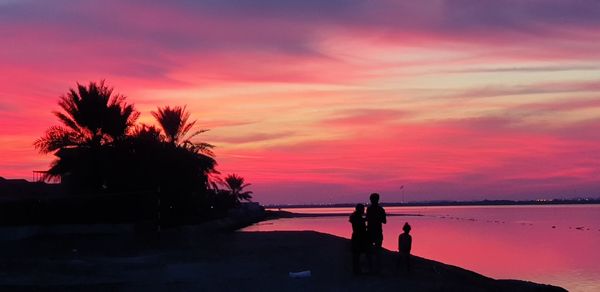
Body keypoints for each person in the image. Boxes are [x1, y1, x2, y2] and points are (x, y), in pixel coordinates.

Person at [366, 193, 386, 272]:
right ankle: (376, 268)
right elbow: (384, 221)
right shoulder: (381, 209)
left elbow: (367, 219)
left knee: (371, 251)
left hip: (372, 232)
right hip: (376, 232)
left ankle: (372, 268)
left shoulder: (370, 209)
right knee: (377, 251)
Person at [349, 204, 368, 274]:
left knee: (356, 254)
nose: (364, 210)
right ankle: (357, 270)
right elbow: (360, 226)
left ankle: (357, 270)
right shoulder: (356, 217)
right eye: (363, 209)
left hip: (356, 236)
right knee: (357, 254)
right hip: (359, 237)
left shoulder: (355, 216)